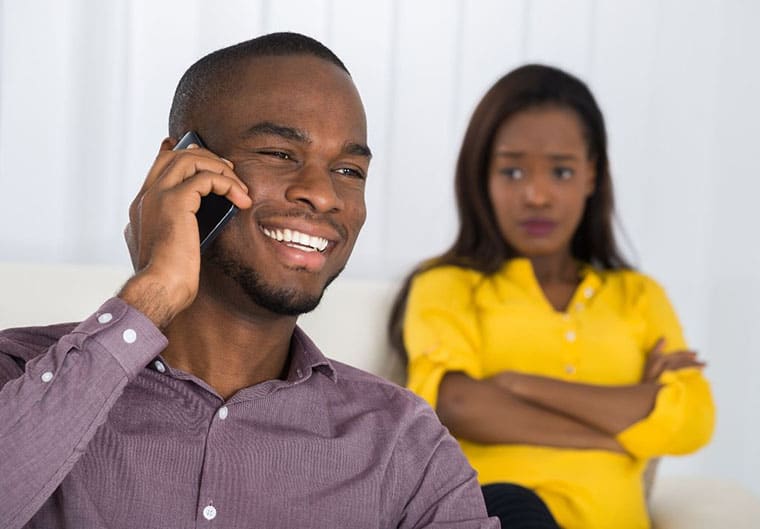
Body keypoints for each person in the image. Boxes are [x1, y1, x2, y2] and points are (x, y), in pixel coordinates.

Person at [0, 33, 498, 529]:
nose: (323, 196)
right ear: (179, 167)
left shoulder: (403, 443)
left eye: (348, 169)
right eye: (281, 154)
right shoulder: (19, 376)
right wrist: (153, 294)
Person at [389, 64, 715, 529]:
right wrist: (627, 419)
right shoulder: (448, 283)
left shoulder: (638, 296)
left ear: (591, 176)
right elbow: (454, 403)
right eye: (513, 170)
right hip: (498, 515)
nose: (537, 195)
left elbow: (691, 420)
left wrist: (520, 384)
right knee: (512, 506)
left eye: (561, 171)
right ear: (483, 176)